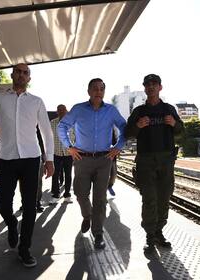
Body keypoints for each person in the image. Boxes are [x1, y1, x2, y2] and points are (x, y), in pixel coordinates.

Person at [0, 63, 54, 268]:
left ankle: (25, 248)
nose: (21, 75)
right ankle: (12, 224)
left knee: (30, 206)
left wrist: (50, 160)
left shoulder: (37, 102)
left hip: (31, 159)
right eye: (18, 72)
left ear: (29, 78)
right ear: (12, 75)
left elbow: (46, 132)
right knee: (2, 203)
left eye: (25, 73)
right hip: (5, 158)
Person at [58, 78, 126, 250]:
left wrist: (118, 147)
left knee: (100, 198)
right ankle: (87, 216)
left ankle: (98, 233)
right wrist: (69, 147)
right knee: (80, 193)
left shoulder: (111, 110)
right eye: (94, 88)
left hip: (104, 160)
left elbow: (124, 128)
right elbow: (62, 126)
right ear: (88, 91)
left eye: (101, 88)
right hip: (82, 159)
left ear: (104, 91)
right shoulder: (78, 109)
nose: (98, 91)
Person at [124, 74, 184, 253]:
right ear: (144, 88)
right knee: (149, 198)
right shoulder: (139, 111)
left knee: (164, 197)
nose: (150, 87)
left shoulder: (169, 109)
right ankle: (150, 235)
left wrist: (174, 123)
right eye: (147, 85)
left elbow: (181, 133)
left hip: (166, 160)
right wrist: (138, 126)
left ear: (160, 87)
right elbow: (127, 133)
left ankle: (159, 231)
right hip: (145, 161)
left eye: (154, 84)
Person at [50, 104, 73, 204]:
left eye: (63, 110)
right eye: (59, 110)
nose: (62, 112)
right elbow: (49, 138)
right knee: (55, 175)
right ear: (57, 112)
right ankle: (56, 195)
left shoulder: (72, 123)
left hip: (68, 154)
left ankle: (67, 195)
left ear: (66, 111)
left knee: (68, 175)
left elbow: (77, 138)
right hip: (56, 153)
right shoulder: (52, 123)